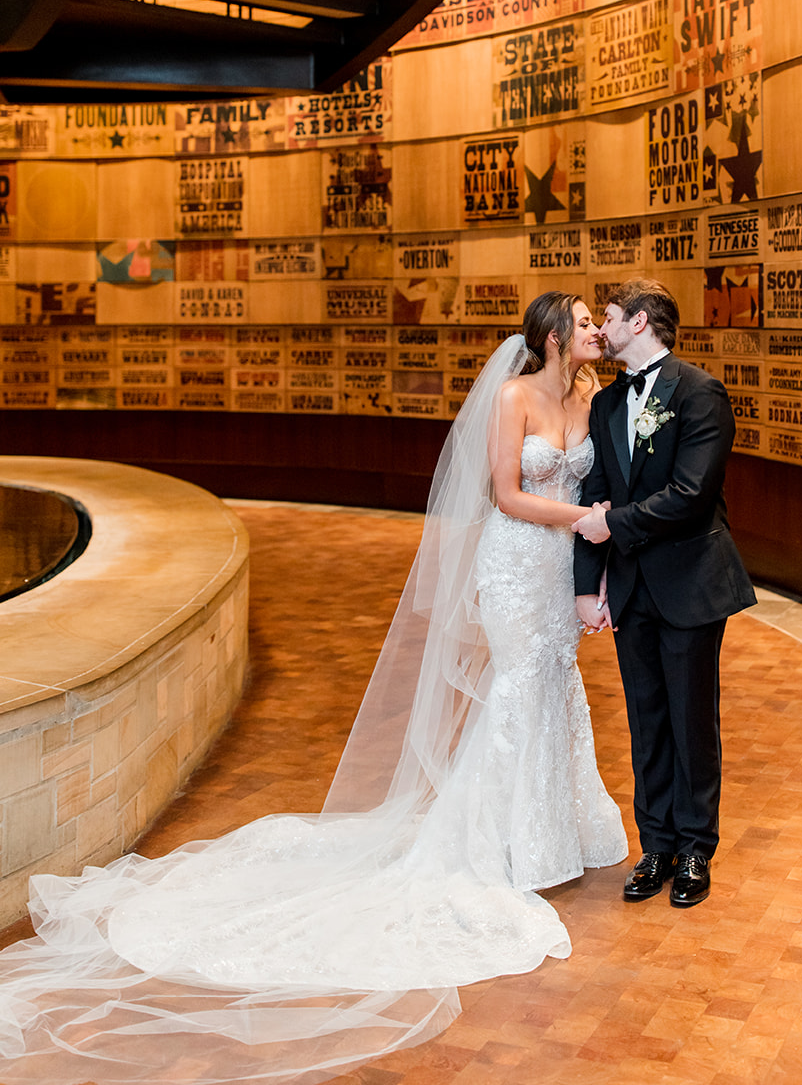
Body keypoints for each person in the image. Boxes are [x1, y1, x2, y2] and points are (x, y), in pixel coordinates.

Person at [0, 292, 626, 1085]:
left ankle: (555, 829)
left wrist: (591, 557)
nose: (596, 330)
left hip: (558, 571)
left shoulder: (591, 396)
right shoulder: (512, 396)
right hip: (515, 562)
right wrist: (580, 520)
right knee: (517, 689)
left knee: (554, 684)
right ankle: (505, 839)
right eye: (583, 320)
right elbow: (504, 494)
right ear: (549, 335)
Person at [574, 278, 755, 909]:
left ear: (642, 322)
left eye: (612, 316)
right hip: (630, 587)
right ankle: (654, 845)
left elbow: (690, 495)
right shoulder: (605, 404)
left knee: (691, 718)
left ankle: (695, 849)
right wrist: (584, 584)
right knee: (646, 719)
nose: (602, 327)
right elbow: (593, 493)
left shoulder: (700, 392)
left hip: (691, 584)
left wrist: (613, 525)